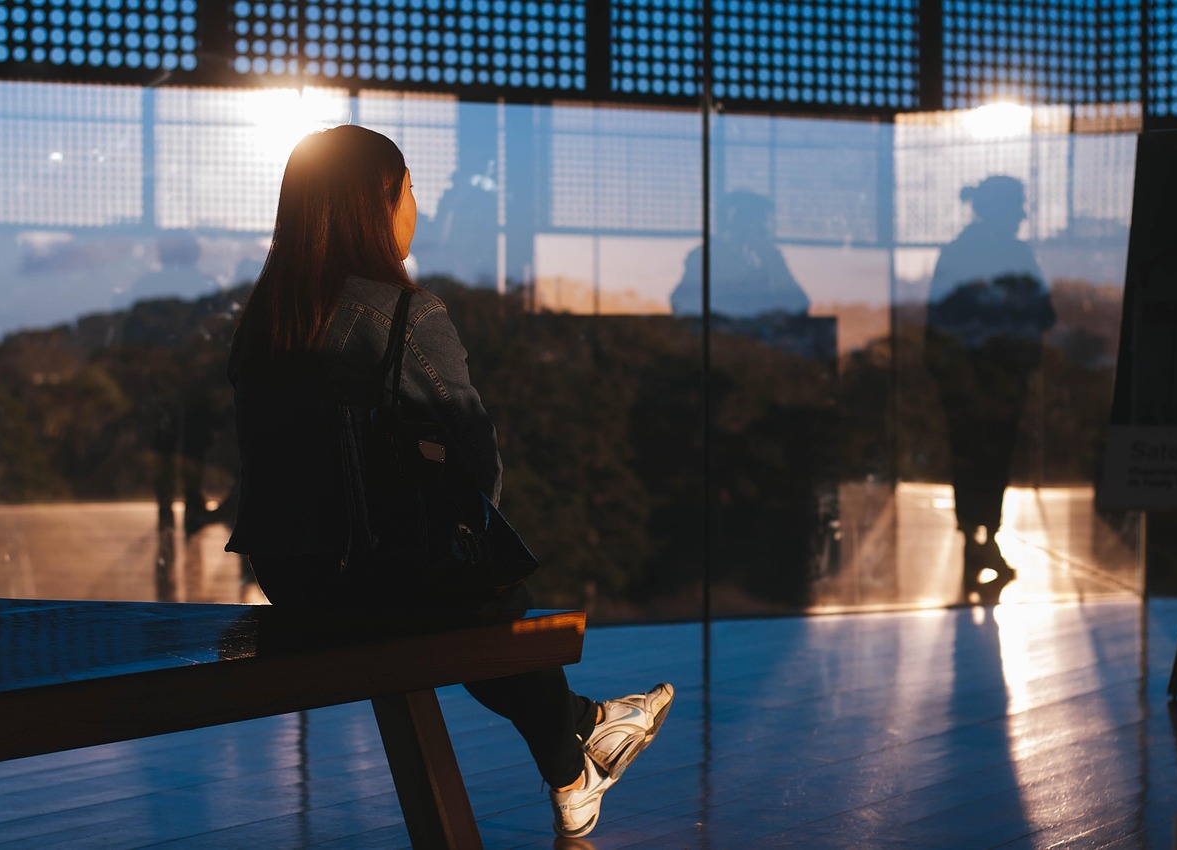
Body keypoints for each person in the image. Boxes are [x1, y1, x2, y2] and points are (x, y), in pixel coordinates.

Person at [223, 124, 673, 839]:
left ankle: (586, 738)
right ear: (377, 203)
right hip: (378, 579)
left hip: (291, 577)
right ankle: (578, 744)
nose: (418, 206)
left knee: (455, 600)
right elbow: (477, 468)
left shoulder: (267, 323)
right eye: (409, 188)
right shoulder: (403, 313)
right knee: (484, 594)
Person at [924, 175, 1055, 604]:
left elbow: (1043, 310)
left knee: (983, 459)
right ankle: (980, 539)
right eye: (1016, 205)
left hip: (983, 380)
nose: (1022, 215)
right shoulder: (997, 253)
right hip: (980, 380)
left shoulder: (976, 252)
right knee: (984, 457)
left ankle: (980, 538)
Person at [670, 190, 809, 318]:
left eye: (763, 225)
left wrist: (770, 259)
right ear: (733, 224)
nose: (763, 230)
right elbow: (682, 303)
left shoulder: (769, 257)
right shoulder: (704, 256)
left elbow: (800, 303)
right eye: (757, 223)